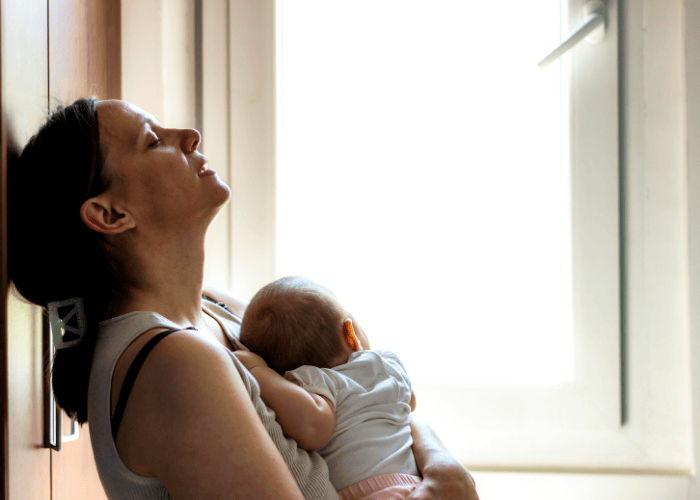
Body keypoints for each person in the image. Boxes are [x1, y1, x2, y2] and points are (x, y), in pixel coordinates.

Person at [7, 97, 479, 500]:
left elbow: (370, 393)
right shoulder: (174, 362)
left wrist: (443, 464)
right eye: (153, 141)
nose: (188, 135)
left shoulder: (221, 309)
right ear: (110, 214)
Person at [236, 276, 426, 500]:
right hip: (415, 484)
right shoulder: (387, 363)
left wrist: (257, 370)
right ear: (350, 333)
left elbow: (314, 429)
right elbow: (409, 402)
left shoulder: (314, 381)